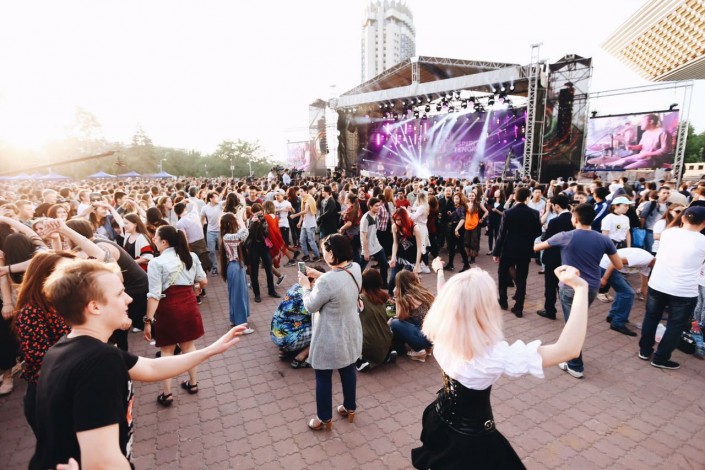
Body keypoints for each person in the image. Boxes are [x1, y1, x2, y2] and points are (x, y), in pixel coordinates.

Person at [29, 259, 246, 470]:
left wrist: (211, 350)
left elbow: (151, 368)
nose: (129, 299)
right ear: (94, 306)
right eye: (119, 294)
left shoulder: (67, 348)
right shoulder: (98, 361)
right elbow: (103, 463)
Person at [411, 263, 589, 470]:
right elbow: (568, 350)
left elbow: (445, 296)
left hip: (438, 418)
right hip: (470, 440)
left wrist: (440, 271)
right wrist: (581, 289)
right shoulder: (490, 356)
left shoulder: (443, 331)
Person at [534, 204, 622, 379]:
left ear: (575, 219)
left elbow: (537, 248)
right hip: (591, 287)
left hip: (569, 287)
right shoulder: (604, 240)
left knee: (572, 324)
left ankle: (575, 364)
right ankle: (571, 358)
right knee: (578, 320)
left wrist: (537, 239)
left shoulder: (566, 236)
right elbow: (618, 265)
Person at [299, 234, 362, 431]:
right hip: (350, 330)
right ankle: (350, 407)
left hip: (329, 336)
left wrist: (305, 287)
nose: (323, 254)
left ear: (332, 254)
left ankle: (324, 418)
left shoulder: (326, 282)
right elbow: (338, 280)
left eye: (324, 251)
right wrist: (318, 274)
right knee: (348, 369)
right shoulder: (355, 268)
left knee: (323, 375)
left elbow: (310, 306)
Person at [144, 225, 208, 406]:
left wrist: (148, 321)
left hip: (168, 308)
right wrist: (197, 288)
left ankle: (167, 394)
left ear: (164, 242)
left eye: (155, 238)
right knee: (189, 347)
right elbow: (203, 280)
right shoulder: (191, 256)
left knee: (167, 351)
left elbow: (154, 295)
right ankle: (193, 384)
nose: (153, 240)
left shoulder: (156, 263)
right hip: (189, 305)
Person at [13, 251, 76, 434]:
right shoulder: (32, 311)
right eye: (66, 271)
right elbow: (40, 358)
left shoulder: (65, 301)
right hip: (52, 394)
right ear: (44, 276)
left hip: (69, 387)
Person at [638, 206, 705, 370]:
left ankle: (644, 351)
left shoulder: (668, 233)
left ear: (683, 218)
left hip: (657, 284)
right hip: (684, 291)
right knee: (675, 325)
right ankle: (660, 358)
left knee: (651, 317)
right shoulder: (702, 241)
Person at [492, 187, 542, 317]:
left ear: (515, 197)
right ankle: (519, 307)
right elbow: (538, 232)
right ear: (528, 198)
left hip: (508, 249)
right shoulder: (534, 213)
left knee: (502, 275)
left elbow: (501, 234)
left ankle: (503, 301)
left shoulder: (508, 213)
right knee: (522, 277)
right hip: (525, 250)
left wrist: (496, 252)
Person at [270, 264, 327, 369]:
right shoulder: (310, 296)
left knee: (299, 321)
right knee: (325, 330)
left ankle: (286, 350)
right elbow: (321, 318)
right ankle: (300, 357)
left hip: (275, 333)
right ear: (314, 281)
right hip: (288, 339)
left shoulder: (296, 286)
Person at [599, 248, 655, 336]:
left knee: (625, 290)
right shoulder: (645, 259)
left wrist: (648, 308)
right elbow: (614, 262)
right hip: (606, 265)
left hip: (612, 267)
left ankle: (613, 316)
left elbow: (644, 288)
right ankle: (617, 323)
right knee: (627, 293)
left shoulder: (648, 266)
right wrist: (604, 279)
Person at [536, 195, 573, 320]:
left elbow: (548, 240)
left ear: (556, 206)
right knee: (565, 286)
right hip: (568, 258)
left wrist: (546, 230)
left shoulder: (555, 221)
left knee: (550, 286)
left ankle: (550, 310)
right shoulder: (574, 219)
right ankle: (569, 310)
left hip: (553, 257)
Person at [390, 270, 435, 363]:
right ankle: (427, 347)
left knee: (394, 323)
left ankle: (419, 350)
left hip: (423, 337)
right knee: (407, 319)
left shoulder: (407, 297)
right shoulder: (422, 292)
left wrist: (396, 297)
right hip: (432, 335)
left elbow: (400, 317)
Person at [356, 268, 396, 372]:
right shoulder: (387, 297)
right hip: (387, 339)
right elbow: (392, 316)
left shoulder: (360, 299)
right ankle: (388, 352)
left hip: (368, 343)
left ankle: (361, 361)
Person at [220, 209, 252, 333]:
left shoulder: (226, 236)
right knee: (239, 296)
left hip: (234, 266)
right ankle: (241, 325)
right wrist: (241, 220)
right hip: (235, 267)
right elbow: (244, 233)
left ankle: (236, 320)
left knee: (236, 295)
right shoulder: (228, 236)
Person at [389, 208, 424, 296]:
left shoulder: (414, 228)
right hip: (400, 256)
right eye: (396, 219)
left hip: (411, 258)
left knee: (404, 282)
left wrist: (417, 265)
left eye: (399, 219)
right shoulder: (394, 226)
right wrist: (393, 257)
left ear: (404, 219)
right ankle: (391, 301)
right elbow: (395, 243)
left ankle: (405, 300)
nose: (397, 222)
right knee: (392, 280)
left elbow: (419, 248)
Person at [359, 197, 389, 288]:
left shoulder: (375, 215)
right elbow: (363, 236)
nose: (378, 207)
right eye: (376, 206)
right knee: (360, 269)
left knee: (384, 264)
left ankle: (384, 284)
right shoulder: (365, 219)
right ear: (370, 206)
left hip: (376, 245)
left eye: (379, 205)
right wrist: (366, 251)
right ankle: (357, 286)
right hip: (367, 247)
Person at [200, 191, 223, 276]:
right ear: (210, 199)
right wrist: (201, 228)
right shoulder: (205, 208)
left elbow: (228, 200)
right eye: (216, 197)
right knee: (211, 251)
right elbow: (202, 218)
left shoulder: (220, 204)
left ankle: (224, 267)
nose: (218, 198)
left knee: (222, 251)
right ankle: (215, 268)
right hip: (210, 232)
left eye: (218, 196)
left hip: (221, 231)